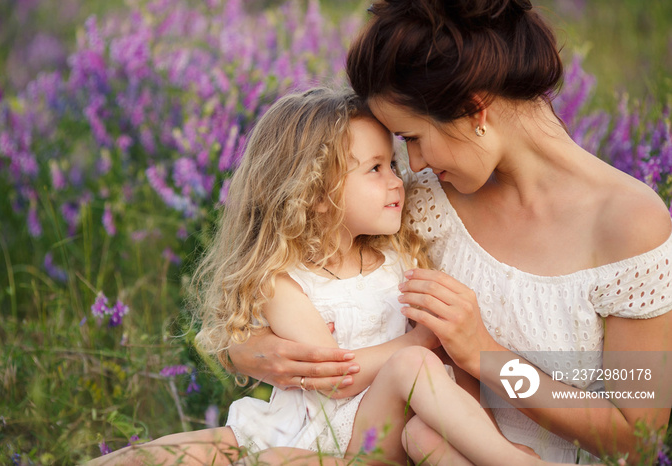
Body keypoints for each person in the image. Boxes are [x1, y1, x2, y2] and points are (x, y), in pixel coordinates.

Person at [229, 0, 672, 463]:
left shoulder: (629, 223)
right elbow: (280, 267)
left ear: (473, 109)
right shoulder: (422, 200)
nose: (412, 165)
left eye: (414, 138)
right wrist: (250, 352)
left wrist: (486, 356)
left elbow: (636, 439)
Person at [86, 87, 567, 465]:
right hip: (306, 432)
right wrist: (422, 341)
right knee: (159, 454)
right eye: (375, 169)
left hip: (372, 441)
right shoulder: (283, 282)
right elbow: (334, 377)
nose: (399, 181)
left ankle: (506, 457)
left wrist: (441, 365)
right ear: (315, 194)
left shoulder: (401, 259)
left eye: (392, 164)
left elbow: (452, 378)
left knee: (418, 397)